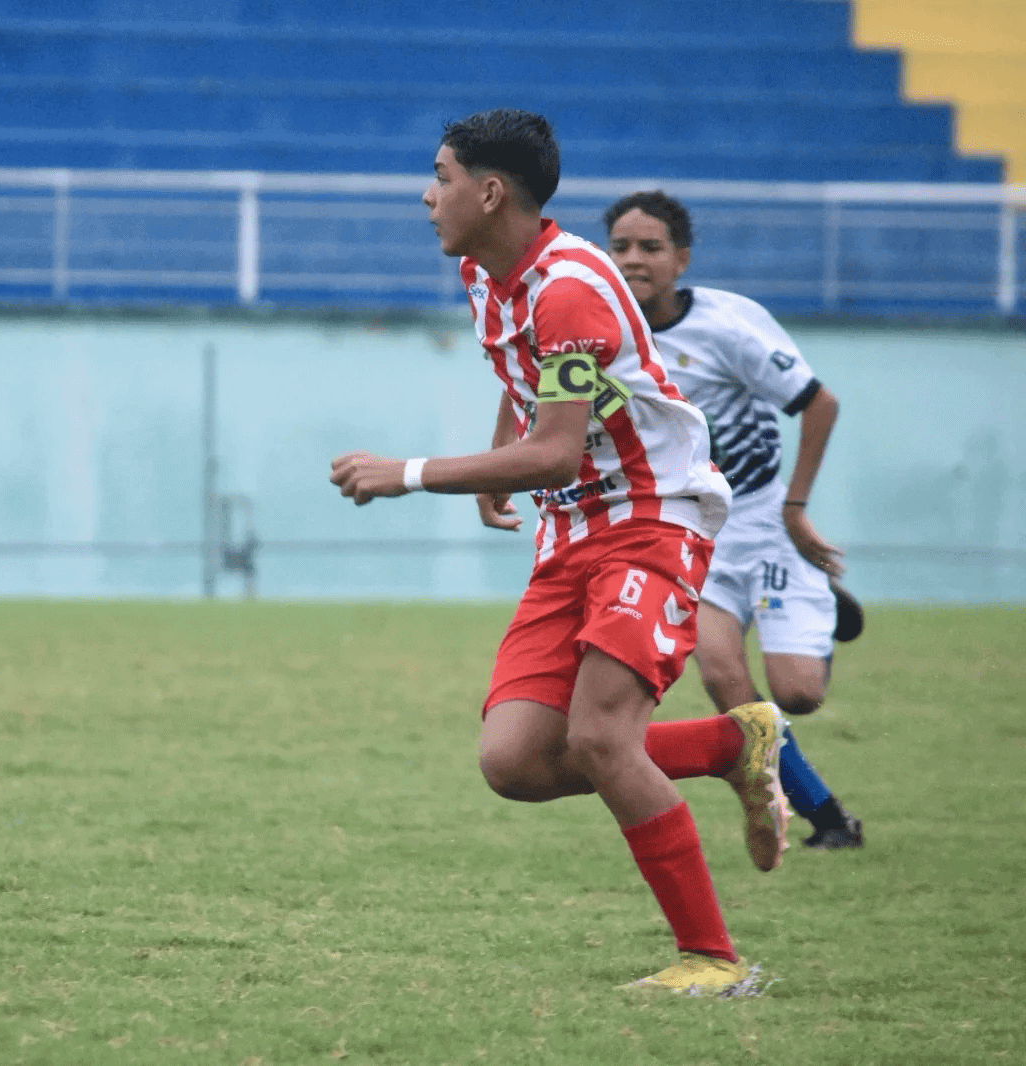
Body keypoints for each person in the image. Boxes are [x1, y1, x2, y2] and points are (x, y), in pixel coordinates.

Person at [329, 109, 788, 995]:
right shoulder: (483, 271)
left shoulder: (570, 288)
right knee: (515, 761)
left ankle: (714, 961)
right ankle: (733, 745)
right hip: (572, 533)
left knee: (602, 737)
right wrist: (503, 449)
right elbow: (528, 388)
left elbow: (559, 450)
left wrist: (412, 473)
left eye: (441, 176)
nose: (428, 196)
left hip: (652, 521)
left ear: (490, 191)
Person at [605, 191, 865, 851]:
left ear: (680, 259)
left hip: (764, 519)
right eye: (621, 247)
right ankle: (827, 818)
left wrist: (796, 509)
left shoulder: (725, 328)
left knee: (797, 693)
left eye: (650, 248)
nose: (634, 259)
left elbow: (820, 404)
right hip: (695, 530)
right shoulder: (603, 332)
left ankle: (820, 610)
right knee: (723, 677)